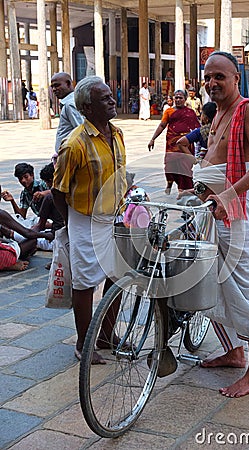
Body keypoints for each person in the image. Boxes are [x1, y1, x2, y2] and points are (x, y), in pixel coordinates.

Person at [194, 51, 249, 398]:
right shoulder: (219, 113)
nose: (212, 83)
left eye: (219, 77)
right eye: (207, 77)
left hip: (237, 216)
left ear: (235, 79)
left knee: (245, 285)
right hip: (212, 213)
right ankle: (234, 351)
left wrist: (227, 195)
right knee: (209, 282)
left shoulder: (248, 109)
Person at [52, 76, 127, 364]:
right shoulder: (75, 143)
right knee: (84, 282)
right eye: (105, 99)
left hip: (114, 215)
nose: (112, 101)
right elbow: (59, 191)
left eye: (111, 96)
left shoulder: (117, 133)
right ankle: (83, 343)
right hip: (84, 219)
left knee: (117, 275)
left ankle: (107, 335)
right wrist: (69, 223)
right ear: (88, 107)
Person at [148, 89, 200, 196]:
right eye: (176, 97)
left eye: (180, 97)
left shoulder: (190, 112)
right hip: (172, 143)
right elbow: (162, 125)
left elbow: (197, 129)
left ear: (185, 99)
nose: (178, 100)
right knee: (169, 166)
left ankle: (184, 189)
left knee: (185, 167)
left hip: (186, 144)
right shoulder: (169, 111)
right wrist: (153, 139)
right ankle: (170, 183)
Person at [50, 72, 84, 155]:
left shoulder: (70, 104)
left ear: (68, 84)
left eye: (57, 85)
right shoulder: (70, 102)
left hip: (71, 154)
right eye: (52, 87)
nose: (54, 89)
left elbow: (82, 129)